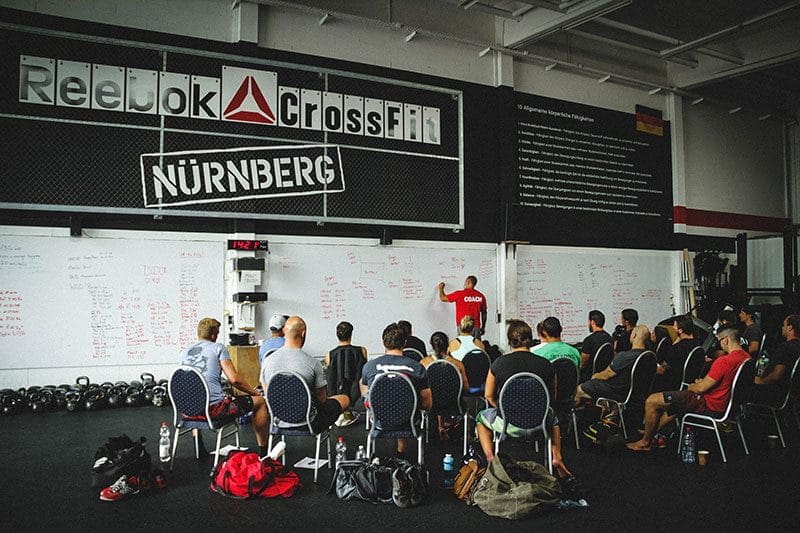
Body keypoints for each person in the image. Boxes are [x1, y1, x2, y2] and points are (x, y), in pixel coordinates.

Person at [627, 325, 750, 452]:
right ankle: (652, 432)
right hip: (729, 407)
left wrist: (693, 386)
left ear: (725, 340)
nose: (720, 345)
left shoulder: (724, 361)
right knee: (677, 402)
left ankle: (645, 442)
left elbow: (700, 389)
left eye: (719, 341)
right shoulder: (746, 358)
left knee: (652, 401)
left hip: (709, 405)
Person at [475, 319, 571, 478]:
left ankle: (491, 458)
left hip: (508, 424)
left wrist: (501, 409)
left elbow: (488, 395)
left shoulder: (499, 363)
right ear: (531, 338)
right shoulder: (546, 364)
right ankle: (556, 456)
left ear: (510, 341)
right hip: (539, 423)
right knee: (554, 420)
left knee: (480, 418)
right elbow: (551, 397)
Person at [180, 317, 270, 456]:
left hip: (188, 410)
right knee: (259, 402)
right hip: (213, 411)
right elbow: (235, 380)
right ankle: (264, 453)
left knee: (195, 394)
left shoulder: (185, 352)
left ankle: (199, 445)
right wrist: (255, 393)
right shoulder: (218, 348)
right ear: (214, 335)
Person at [260, 316, 350, 434]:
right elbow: (321, 399)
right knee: (344, 399)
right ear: (303, 333)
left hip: (278, 421)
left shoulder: (267, 361)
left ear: (284, 331)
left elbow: (267, 392)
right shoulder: (313, 363)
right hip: (308, 422)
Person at [360, 323, 433, 457]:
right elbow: (427, 403)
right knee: (403, 402)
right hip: (408, 421)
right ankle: (401, 454)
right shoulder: (417, 367)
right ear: (405, 343)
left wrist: (370, 405)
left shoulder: (369, 367)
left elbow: (365, 393)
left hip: (379, 420)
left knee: (369, 386)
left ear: (383, 343)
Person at [575, 325, 650, 404]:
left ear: (634, 336)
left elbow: (606, 375)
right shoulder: (649, 355)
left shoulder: (624, 356)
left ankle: (575, 415)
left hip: (618, 392)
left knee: (579, 389)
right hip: (636, 394)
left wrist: (595, 376)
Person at [420, 331, 469, 440]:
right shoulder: (458, 364)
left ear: (432, 346)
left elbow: (420, 388)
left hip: (431, 405)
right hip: (453, 405)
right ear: (447, 345)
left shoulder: (424, 363)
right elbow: (465, 388)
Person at [324, 321, 368, 427]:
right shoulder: (362, 351)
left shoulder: (329, 355)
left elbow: (331, 379)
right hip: (358, 395)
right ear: (351, 335)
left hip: (336, 395)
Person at [752, 314, 800, 405]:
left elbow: (777, 375)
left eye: (784, 325)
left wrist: (761, 381)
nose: (782, 327)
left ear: (790, 328)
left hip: (776, 394)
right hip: (793, 395)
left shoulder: (785, 347)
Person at [652, 315, 699, 392]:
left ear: (680, 330)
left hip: (673, 385)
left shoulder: (677, 349)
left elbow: (662, 369)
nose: (673, 328)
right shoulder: (697, 344)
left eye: (675, 326)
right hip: (690, 383)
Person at [580, 310, 613, 381]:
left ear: (592, 322)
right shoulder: (610, 338)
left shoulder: (589, 340)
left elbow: (583, 362)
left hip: (590, 377)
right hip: (606, 375)